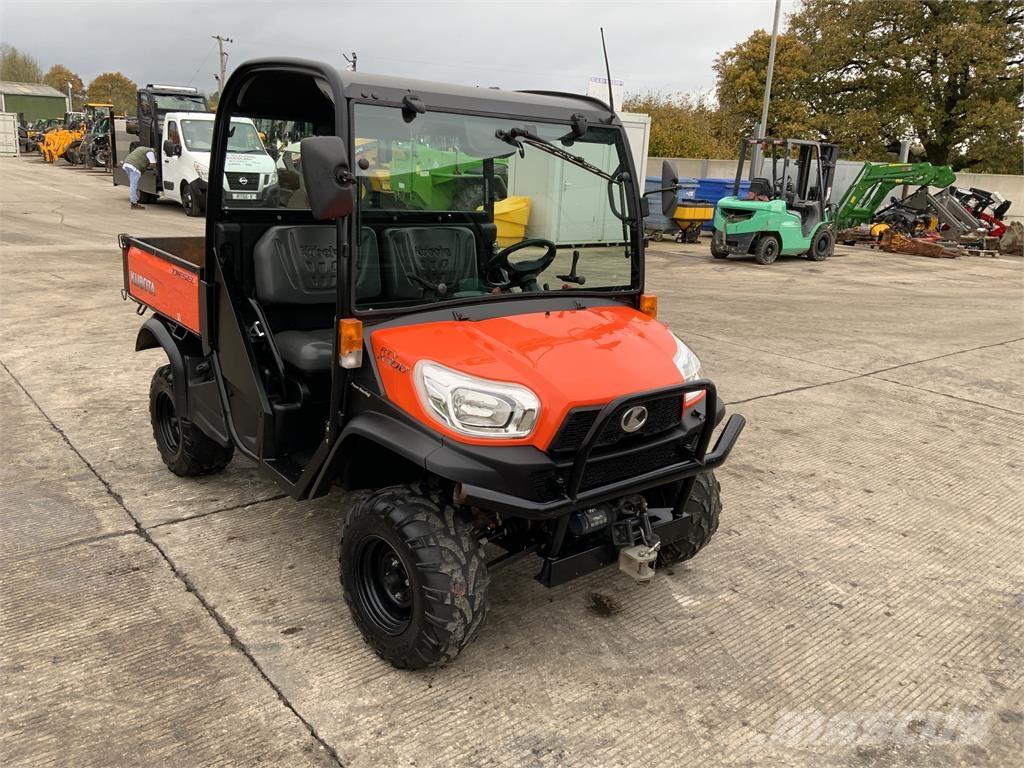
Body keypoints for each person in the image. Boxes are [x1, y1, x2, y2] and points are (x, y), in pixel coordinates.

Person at [122, 145, 156, 209]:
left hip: (127, 164)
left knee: (132, 184)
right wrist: (148, 167)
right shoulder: (151, 152)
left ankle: (135, 200)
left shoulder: (141, 148)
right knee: (134, 185)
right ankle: (134, 203)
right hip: (135, 167)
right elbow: (153, 164)